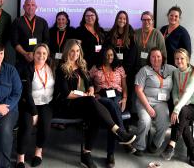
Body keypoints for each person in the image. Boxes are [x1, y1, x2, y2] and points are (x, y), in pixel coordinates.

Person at [54, 39, 136, 168]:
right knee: (92, 102)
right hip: (69, 104)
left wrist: (91, 89)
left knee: (106, 106)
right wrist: (86, 95)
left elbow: (90, 84)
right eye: (72, 51)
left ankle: (86, 154)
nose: (75, 54)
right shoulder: (62, 68)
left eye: (77, 51)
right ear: (67, 52)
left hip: (86, 102)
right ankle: (119, 132)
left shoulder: (81, 66)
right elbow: (66, 93)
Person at [161, 48, 194, 167]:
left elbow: (188, 92)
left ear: (187, 59)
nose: (179, 61)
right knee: (183, 120)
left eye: (182, 58)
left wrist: (176, 109)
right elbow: (174, 91)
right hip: (180, 106)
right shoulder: (175, 72)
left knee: (181, 113)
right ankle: (192, 153)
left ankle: (172, 144)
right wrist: (176, 103)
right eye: (177, 58)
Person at [16, 44, 55, 168]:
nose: (41, 56)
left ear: (47, 55)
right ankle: (20, 157)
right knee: (26, 127)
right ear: (33, 54)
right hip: (29, 103)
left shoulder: (52, 67)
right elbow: (26, 93)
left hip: (46, 103)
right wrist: (34, 112)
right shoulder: (27, 69)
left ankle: (38, 152)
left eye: (44, 53)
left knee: (45, 125)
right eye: (38, 53)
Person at [89, 46, 128, 168]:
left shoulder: (119, 68)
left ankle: (111, 153)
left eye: (111, 55)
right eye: (107, 55)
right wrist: (92, 92)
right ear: (102, 55)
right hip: (101, 95)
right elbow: (87, 81)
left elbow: (124, 85)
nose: (109, 57)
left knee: (111, 118)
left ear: (114, 56)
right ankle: (122, 135)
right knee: (112, 109)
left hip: (116, 94)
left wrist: (125, 98)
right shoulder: (96, 68)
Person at [133, 48, 176, 156]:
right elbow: (138, 90)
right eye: (153, 56)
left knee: (165, 121)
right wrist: (148, 107)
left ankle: (156, 143)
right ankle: (140, 146)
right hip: (145, 101)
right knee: (145, 121)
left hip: (161, 102)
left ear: (162, 58)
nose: (156, 59)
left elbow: (183, 70)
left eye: (158, 56)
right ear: (149, 58)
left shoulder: (170, 69)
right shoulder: (144, 70)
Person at [106, 11, 137, 114]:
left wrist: (124, 70)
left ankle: (126, 116)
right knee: (115, 92)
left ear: (126, 20)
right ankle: (114, 112)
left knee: (127, 92)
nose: (122, 20)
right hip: (113, 70)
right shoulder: (111, 33)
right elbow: (107, 51)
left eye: (124, 19)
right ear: (116, 19)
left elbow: (133, 54)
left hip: (127, 70)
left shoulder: (131, 34)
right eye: (120, 18)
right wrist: (114, 69)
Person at [11, 0, 49, 73]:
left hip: (39, 59)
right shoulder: (17, 21)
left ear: (36, 7)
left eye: (33, 5)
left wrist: (36, 54)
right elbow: (14, 41)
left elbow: (46, 40)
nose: (30, 7)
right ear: (24, 7)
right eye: (28, 5)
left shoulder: (42, 22)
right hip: (21, 59)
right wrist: (25, 54)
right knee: (20, 82)